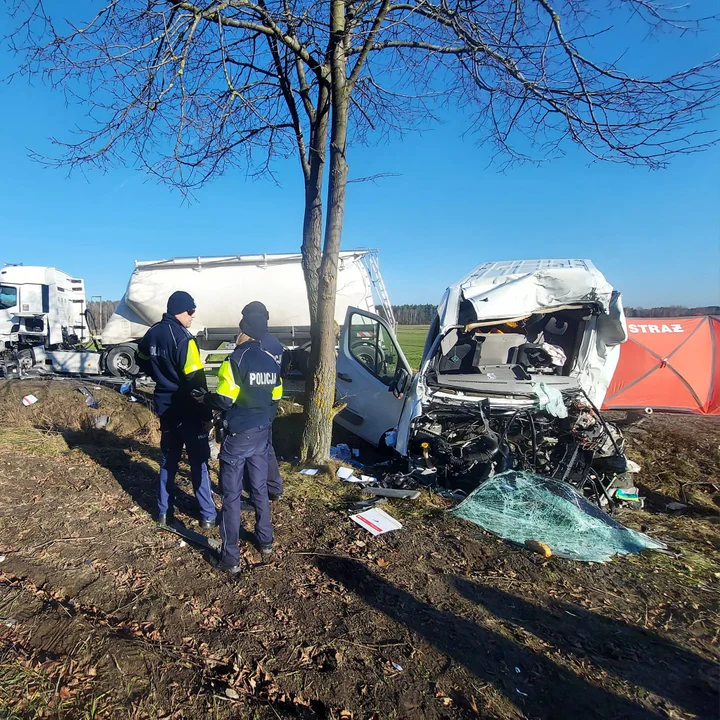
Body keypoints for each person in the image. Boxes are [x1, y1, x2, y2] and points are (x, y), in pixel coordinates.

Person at [201, 310, 282, 574]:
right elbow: (275, 400)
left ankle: (230, 558)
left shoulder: (235, 360)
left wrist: (205, 399)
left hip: (238, 437)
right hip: (261, 434)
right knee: (259, 488)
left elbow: (224, 400)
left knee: (231, 496)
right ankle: (266, 540)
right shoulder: (271, 362)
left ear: (243, 330)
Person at [135, 291, 216, 529]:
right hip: (187, 409)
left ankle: (163, 512)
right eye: (191, 311)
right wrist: (206, 413)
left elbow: (140, 358)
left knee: (168, 459)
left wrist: (158, 375)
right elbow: (195, 380)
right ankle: (208, 515)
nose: (192, 316)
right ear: (180, 311)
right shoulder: (184, 339)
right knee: (199, 462)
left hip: (165, 405)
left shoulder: (152, 332)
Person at [240, 301, 284, 502]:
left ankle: (256, 490)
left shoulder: (253, 345)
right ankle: (274, 487)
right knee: (267, 446)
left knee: (255, 451)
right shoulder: (275, 344)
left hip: (251, 406)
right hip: (270, 403)